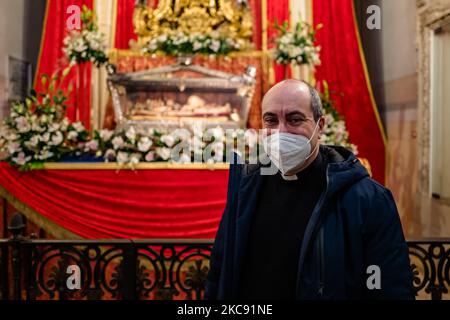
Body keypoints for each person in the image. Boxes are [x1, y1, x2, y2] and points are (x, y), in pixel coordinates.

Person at [205, 79, 414, 300]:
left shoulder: (368, 199)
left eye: (294, 119)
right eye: (271, 120)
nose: (280, 131)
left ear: (320, 126)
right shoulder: (246, 188)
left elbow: (389, 285)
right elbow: (220, 269)